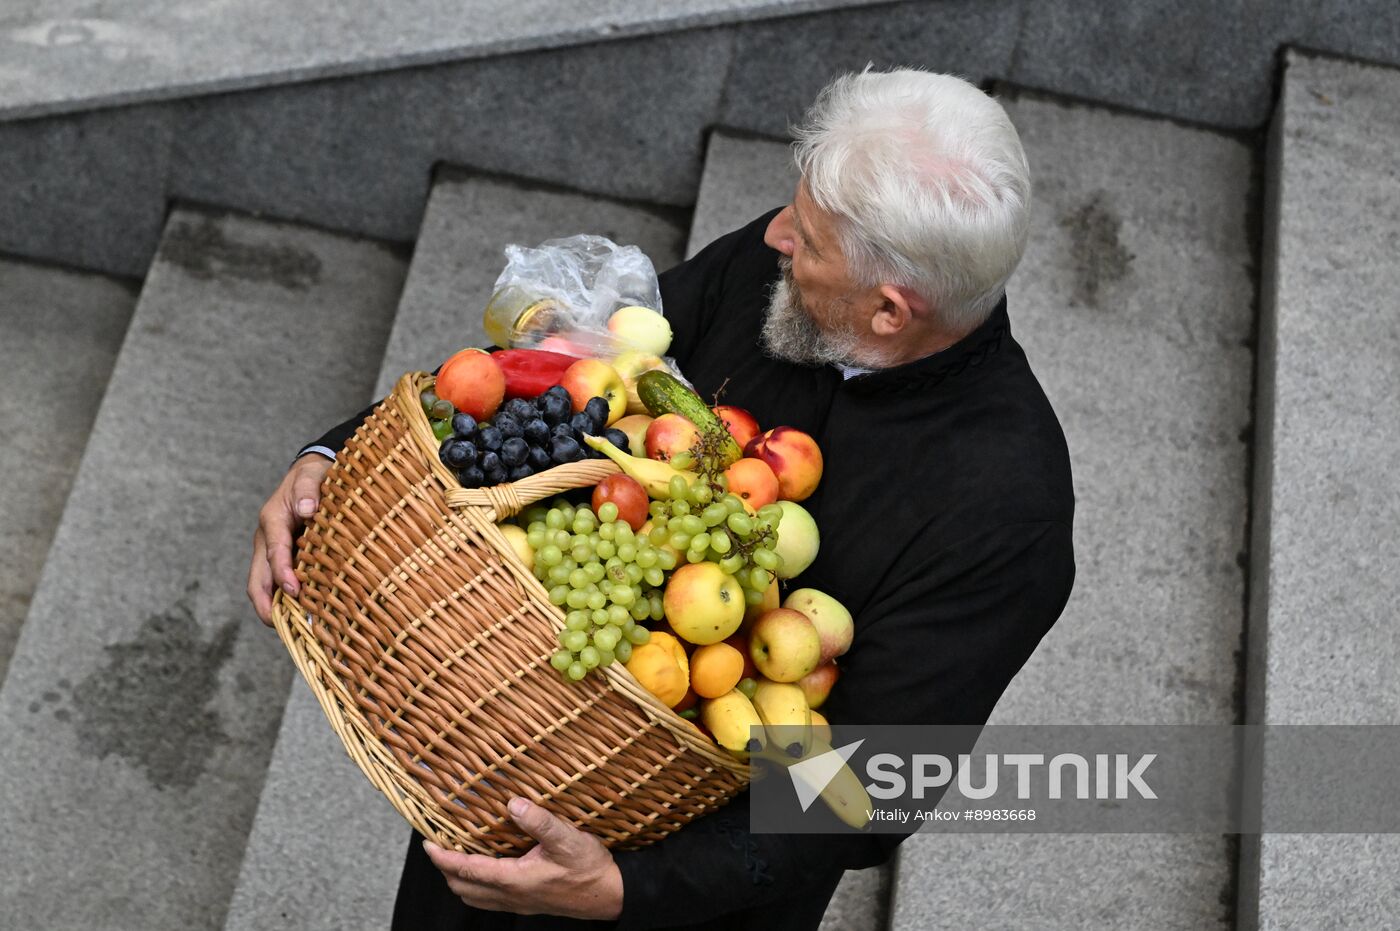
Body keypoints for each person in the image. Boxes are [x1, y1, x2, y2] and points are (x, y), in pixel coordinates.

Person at [248, 68, 1075, 930]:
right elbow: (572, 372)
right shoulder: (783, 260)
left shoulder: (1006, 516)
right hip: (498, 762)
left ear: (890, 311)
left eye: (809, 241)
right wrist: (338, 455)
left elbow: (866, 786)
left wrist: (626, 889)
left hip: (687, 900)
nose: (776, 234)